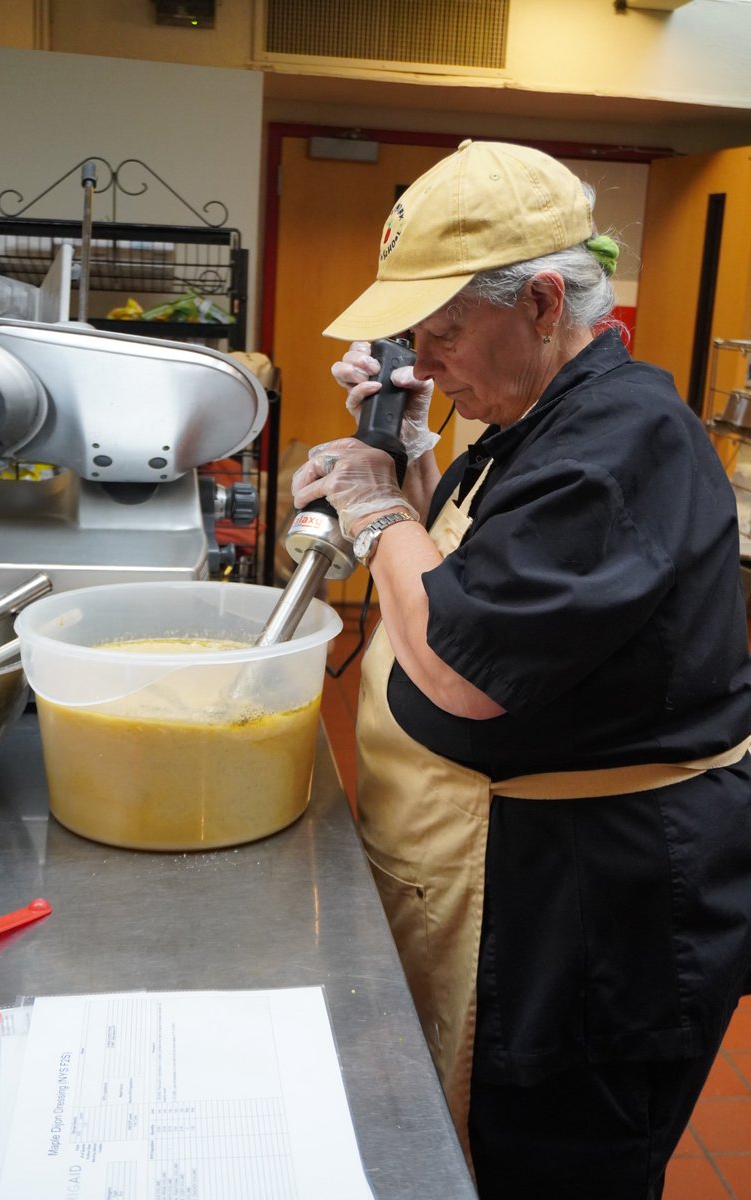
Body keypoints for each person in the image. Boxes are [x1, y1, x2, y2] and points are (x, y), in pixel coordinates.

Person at [291, 140, 751, 1199]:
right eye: (413, 336)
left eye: (442, 332)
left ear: (543, 301)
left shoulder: (617, 438)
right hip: (525, 865)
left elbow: (460, 660)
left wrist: (372, 505)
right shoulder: (533, 415)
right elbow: (474, 563)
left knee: (545, 1167)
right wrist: (405, 447)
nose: (425, 356)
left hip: (589, 918)